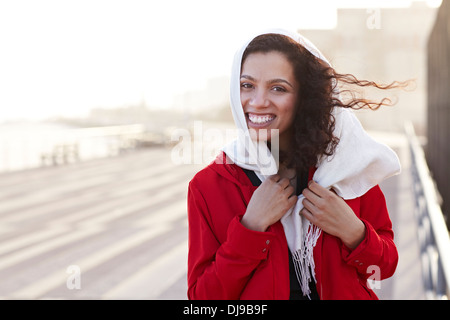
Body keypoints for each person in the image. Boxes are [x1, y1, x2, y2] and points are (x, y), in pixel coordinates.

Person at [187, 29, 406, 300]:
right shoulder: (210, 185)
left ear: (304, 96)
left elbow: (383, 268)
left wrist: (354, 232)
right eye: (247, 85)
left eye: (278, 88)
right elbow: (203, 298)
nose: (258, 102)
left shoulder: (345, 167)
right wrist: (251, 227)